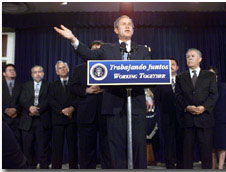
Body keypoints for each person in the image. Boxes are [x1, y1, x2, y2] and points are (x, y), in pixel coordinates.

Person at [55, 15, 151, 169]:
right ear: (115, 30)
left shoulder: (143, 50)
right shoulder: (106, 49)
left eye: (130, 24)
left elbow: (149, 73)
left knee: (138, 148)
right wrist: (73, 39)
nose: (127, 26)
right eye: (123, 24)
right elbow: (88, 55)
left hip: (136, 105)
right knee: (116, 150)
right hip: (113, 106)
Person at [69, 40, 111, 169]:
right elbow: (72, 87)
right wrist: (86, 90)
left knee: (108, 148)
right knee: (87, 149)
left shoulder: (110, 68)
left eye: (99, 50)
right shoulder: (80, 69)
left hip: (106, 113)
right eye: (94, 50)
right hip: (86, 114)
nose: (96, 53)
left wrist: (105, 88)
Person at [175, 48, 218, 169]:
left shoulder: (209, 75)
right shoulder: (181, 77)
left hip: (205, 119)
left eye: (192, 56)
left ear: (200, 59)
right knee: (187, 154)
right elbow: (178, 96)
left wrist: (204, 107)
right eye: (188, 56)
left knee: (206, 153)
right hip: (188, 120)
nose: (189, 58)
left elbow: (214, 95)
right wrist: (187, 107)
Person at [19, 65, 51, 169]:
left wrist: (38, 110)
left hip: (42, 120)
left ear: (43, 73)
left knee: (43, 148)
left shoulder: (49, 85)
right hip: (27, 120)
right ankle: (29, 167)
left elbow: (48, 100)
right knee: (27, 148)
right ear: (32, 74)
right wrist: (30, 108)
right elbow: (22, 99)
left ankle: (44, 168)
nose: (37, 74)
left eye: (39, 72)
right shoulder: (25, 85)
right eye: (35, 72)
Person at [49, 61, 78, 169]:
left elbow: (78, 98)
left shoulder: (75, 84)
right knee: (57, 147)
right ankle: (56, 168)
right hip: (58, 120)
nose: (63, 69)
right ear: (57, 72)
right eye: (60, 68)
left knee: (73, 147)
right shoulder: (53, 85)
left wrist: (71, 108)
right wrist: (62, 110)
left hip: (72, 119)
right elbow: (51, 100)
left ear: (68, 69)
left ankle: (74, 168)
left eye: (64, 67)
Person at [155, 58, 184, 169]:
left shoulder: (182, 80)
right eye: (169, 65)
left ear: (177, 67)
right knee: (169, 142)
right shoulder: (161, 81)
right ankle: (170, 165)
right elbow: (157, 99)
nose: (171, 66)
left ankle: (181, 164)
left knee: (181, 141)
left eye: (173, 64)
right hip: (167, 116)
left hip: (181, 116)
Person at [208, 66, 226, 169]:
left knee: (221, 145)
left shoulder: (223, 86)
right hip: (208, 119)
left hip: (220, 119)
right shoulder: (205, 88)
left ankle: (220, 167)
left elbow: (221, 102)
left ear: (216, 76)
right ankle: (213, 167)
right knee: (211, 146)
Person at [2, 64, 23, 146]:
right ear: (4, 73)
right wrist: (5, 110)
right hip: (3, 119)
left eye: (13, 70)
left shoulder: (21, 86)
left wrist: (16, 110)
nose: (12, 72)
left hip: (17, 120)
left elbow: (23, 101)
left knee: (18, 144)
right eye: (9, 70)